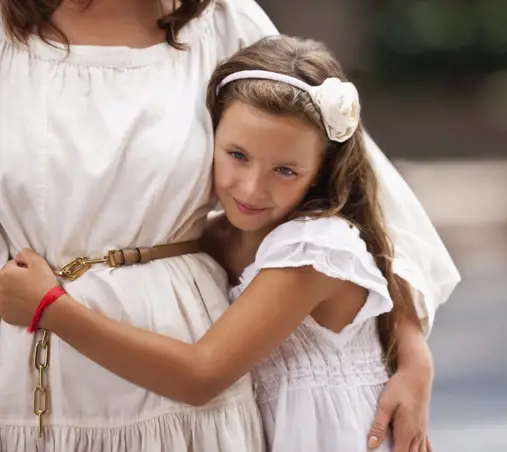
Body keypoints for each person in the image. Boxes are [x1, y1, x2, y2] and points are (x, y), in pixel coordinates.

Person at [0, 1, 460, 451]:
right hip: (14, 354)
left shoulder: (222, 21)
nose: (254, 187)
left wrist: (412, 352)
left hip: (183, 379)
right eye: (237, 157)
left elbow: (365, 194)